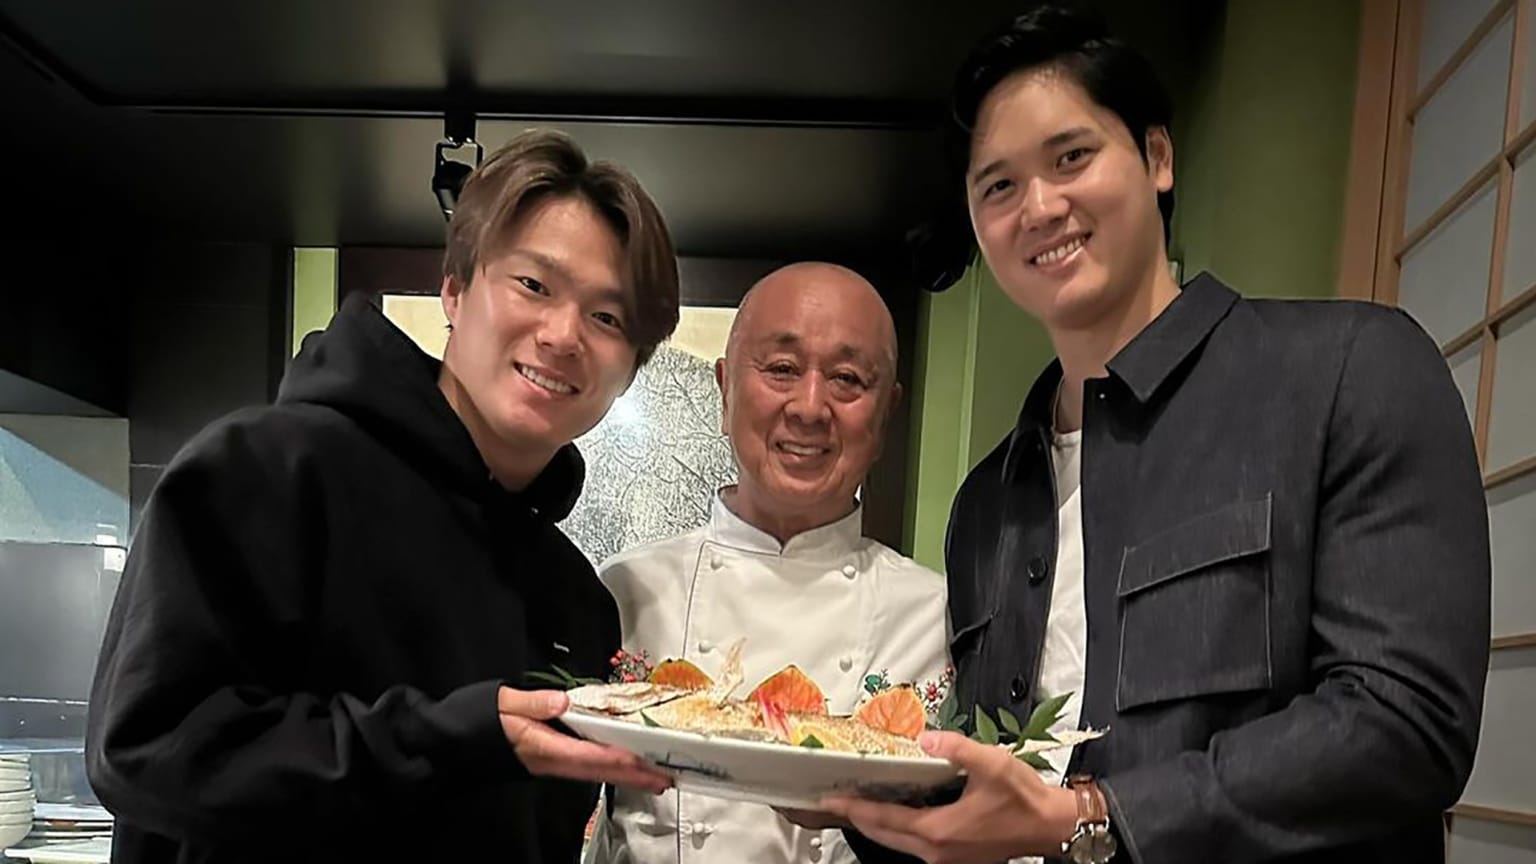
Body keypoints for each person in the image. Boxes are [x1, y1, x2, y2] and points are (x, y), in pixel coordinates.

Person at [827, 6, 1491, 864]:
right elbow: (1003, 784)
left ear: (1158, 157)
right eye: (998, 186)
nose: (1038, 206)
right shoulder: (986, 501)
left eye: (1071, 158)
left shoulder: (1349, 369)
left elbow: (1408, 722)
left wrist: (1092, 815)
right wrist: (841, 791)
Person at [86, 129, 679, 863]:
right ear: (455, 290)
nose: (563, 335)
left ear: (630, 368)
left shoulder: (575, 600)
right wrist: (445, 738)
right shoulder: (268, 470)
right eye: (534, 285)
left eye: (608, 318)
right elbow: (145, 747)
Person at [586, 263, 952, 864]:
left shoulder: (935, 617)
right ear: (725, 386)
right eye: (782, 369)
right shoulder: (625, 589)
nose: (810, 407)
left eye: (847, 379)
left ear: (887, 412)